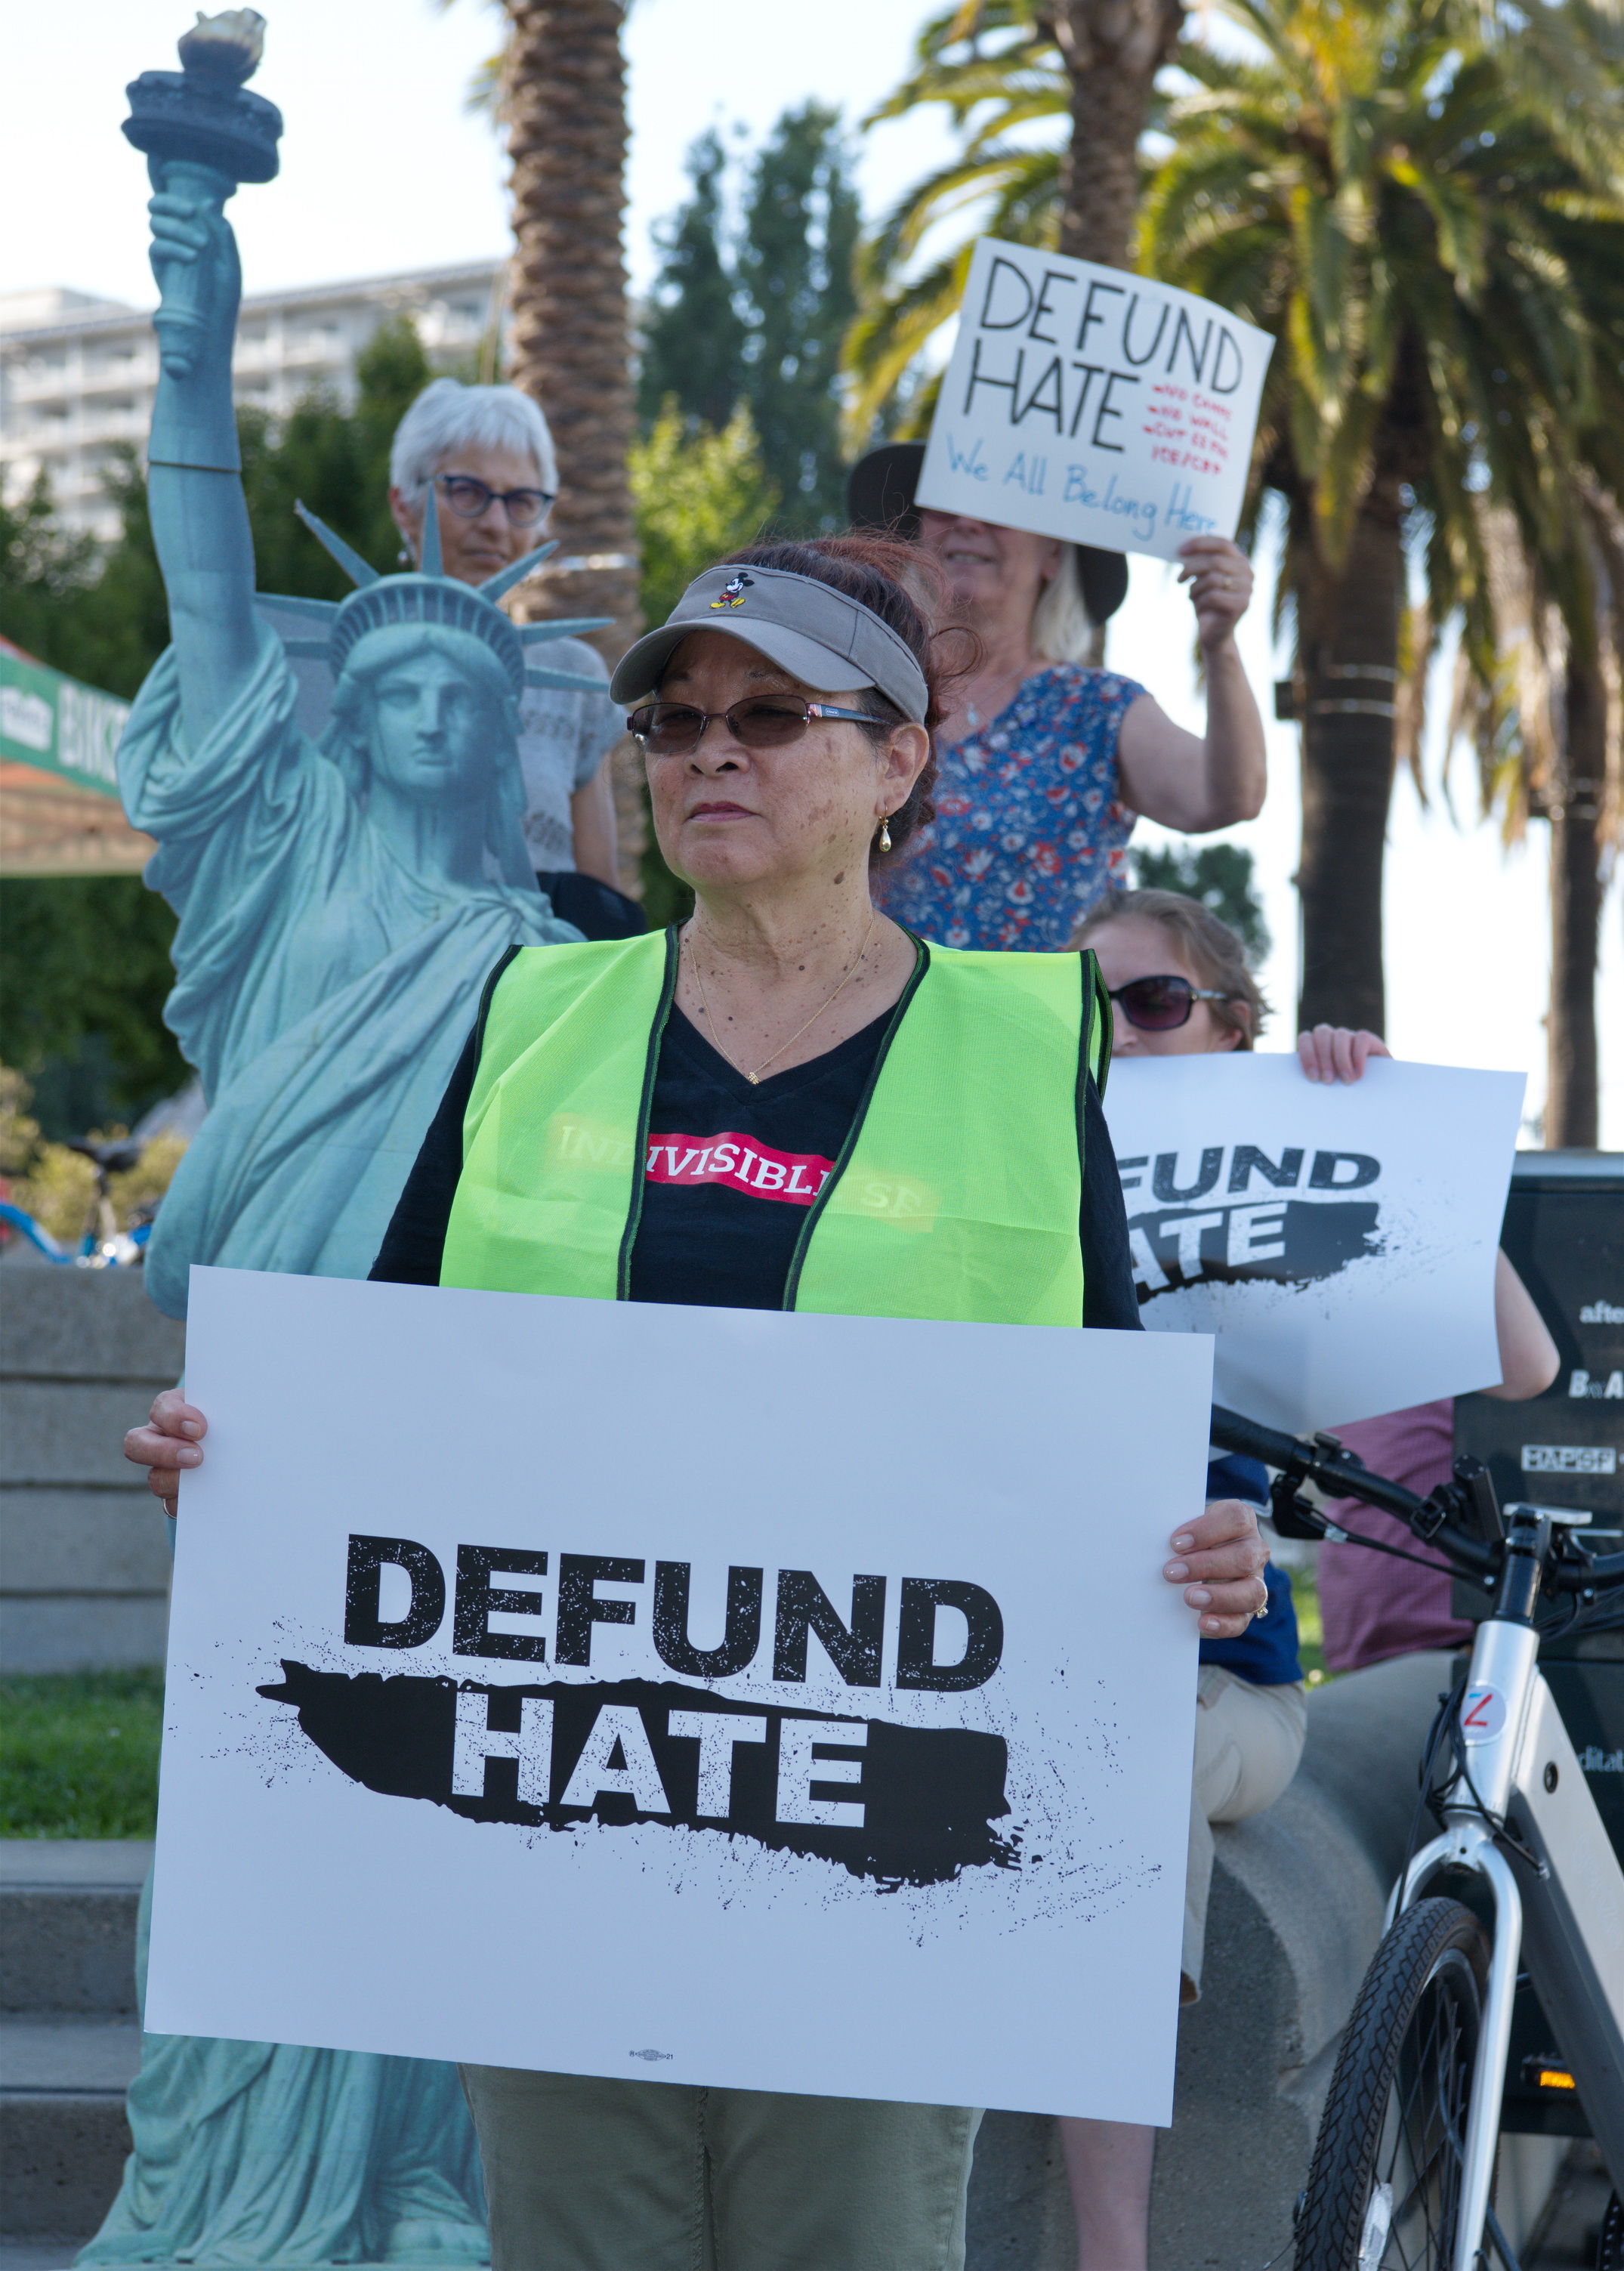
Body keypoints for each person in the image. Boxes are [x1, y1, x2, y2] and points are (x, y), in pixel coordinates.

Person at [126, 535, 1276, 2271]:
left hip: (881, 1860)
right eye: (675, 721)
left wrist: (1195, 1556)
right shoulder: (532, 1013)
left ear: (897, 762)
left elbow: (1109, 1425)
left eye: (770, 714)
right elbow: (388, 1364)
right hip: (558, 1835)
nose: (709, 751)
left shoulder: (1025, 1049)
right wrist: (242, 1467)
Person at [82, 156, 601, 2271]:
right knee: (263, 1755)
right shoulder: (280, 839)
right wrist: (192, 326)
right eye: (393, 690)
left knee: (445, 1762)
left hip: (461, 1387)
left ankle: (415, 2168)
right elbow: (206, 568)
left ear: (491, 739)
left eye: (460, 699)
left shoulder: (535, 937)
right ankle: (224, 2181)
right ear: (349, 713)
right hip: (280, 1375)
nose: (429, 710)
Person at [1064, 885, 1557, 2268]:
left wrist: (1395, 1135)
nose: (1121, 1032)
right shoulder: (1013, 1167)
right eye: (1088, 1006)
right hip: (1013, 1639)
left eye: (1155, 1001)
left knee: (1119, 1760)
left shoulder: (1284, 1196)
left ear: (1235, 1029)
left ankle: (1112, 2251)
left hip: (1220, 1684)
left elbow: (1527, 1366)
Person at [845, 441, 1267, 951]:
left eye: (1002, 506)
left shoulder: (1097, 709)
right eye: (948, 498)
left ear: (1053, 553)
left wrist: (1220, 645)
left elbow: (1228, 797)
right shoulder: (861, 691)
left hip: (1044, 1006)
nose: (969, 521)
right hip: (872, 1004)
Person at [386, 377, 643, 941]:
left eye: (521, 501)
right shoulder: (345, 663)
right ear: (404, 504)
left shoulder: (573, 677)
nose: (496, 524)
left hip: (536, 987)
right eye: (467, 492)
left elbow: (597, 903)